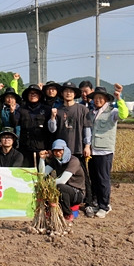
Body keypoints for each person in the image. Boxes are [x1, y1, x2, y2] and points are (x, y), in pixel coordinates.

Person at [48, 81, 95, 217]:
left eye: (71, 91)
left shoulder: (82, 110)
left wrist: (87, 145)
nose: (68, 93)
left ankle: (88, 203)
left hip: (77, 148)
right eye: (66, 91)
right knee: (62, 177)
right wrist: (52, 117)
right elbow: (52, 129)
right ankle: (66, 204)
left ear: (75, 94)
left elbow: (87, 129)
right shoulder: (58, 110)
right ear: (62, 93)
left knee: (84, 178)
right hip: (61, 152)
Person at [88, 85, 128, 218]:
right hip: (93, 151)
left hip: (104, 151)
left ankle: (105, 206)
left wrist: (119, 99)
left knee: (103, 179)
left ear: (106, 99)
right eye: (96, 98)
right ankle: (97, 203)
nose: (98, 100)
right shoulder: (92, 112)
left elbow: (124, 115)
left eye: (101, 98)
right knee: (94, 179)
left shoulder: (112, 111)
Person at [39, 139, 86, 222]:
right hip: (64, 191)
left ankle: (68, 213)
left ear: (65, 150)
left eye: (60, 151)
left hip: (77, 192)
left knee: (60, 187)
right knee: (43, 186)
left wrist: (47, 184)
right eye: (55, 151)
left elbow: (62, 181)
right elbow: (42, 174)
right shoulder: (56, 160)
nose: (58, 153)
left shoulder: (73, 161)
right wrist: (42, 159)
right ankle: (49, 211)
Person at [17, 84, 52, 167]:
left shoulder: (47, 109)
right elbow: (15, 123)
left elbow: (50, 130)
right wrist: (12, 112)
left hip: (42, 148)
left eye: (35, 93)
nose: (33, 95)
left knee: (42, 173)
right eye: (30, 94)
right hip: (25, 147)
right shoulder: (21, 109)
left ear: (39, 96)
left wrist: (50, 148)